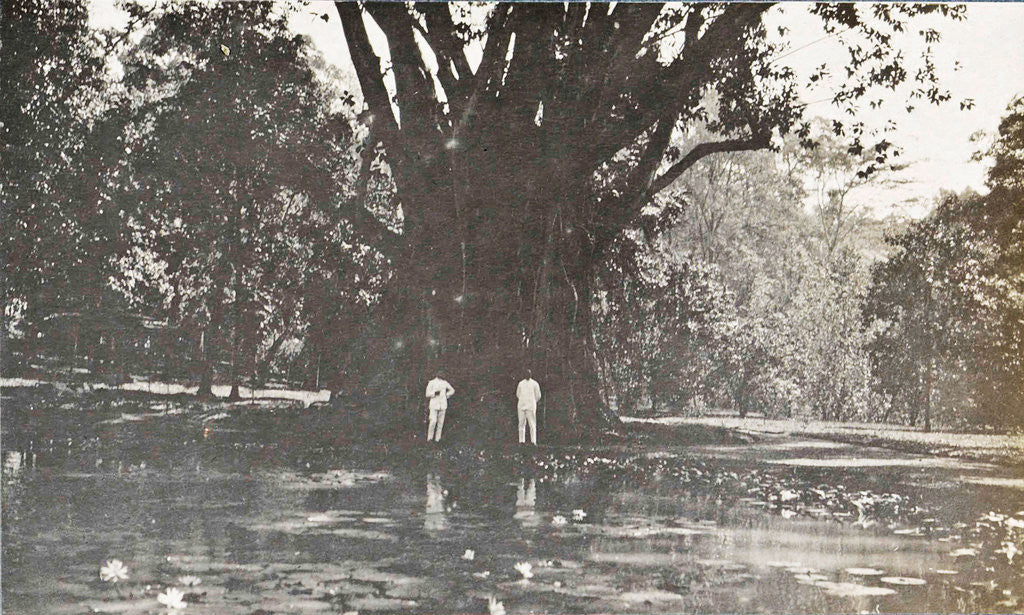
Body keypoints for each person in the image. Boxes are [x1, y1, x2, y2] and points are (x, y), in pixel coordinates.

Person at [424, 372, 455, 443]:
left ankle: (437, 439)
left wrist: (446, 395)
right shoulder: (432, 382)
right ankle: (429, 438)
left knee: (440, 423)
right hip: (434, 405)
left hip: (442, 405)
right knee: (433, 421)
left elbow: (452, 390)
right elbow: (427, 394)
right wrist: (434, 393)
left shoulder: (445, 383)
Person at [515, 369, 541, 445]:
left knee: (532, 424)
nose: (527, 375)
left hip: (531, 407)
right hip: (521, 406)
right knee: (521, 423)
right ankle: (521, 441)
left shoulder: (535, 384)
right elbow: (518, 394)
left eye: (529, 374)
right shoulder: (520, 384)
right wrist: (523, 400)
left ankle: (533, 441)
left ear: (531, 374)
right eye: (526, 374)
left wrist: (532, 401)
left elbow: (538, 396)